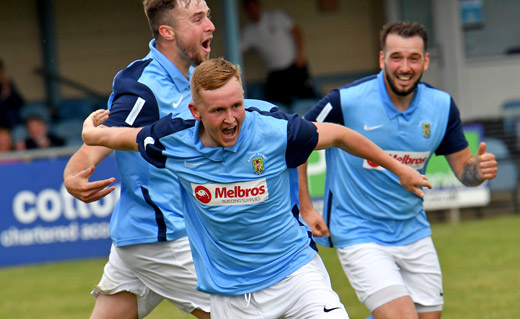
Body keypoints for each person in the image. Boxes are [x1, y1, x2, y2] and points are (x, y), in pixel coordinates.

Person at [81, 58, 432, 319]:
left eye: (236, 105)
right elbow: (121, 137)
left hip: (295, 274)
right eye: (218, 110)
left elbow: (339, 134)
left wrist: (398, 168)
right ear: (195, 110)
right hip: (231, 297)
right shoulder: (171, 140)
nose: (231, 118)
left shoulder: (276, 131)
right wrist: (91, 134)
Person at [297, 22, 498, 319]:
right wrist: (306, 207)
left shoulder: (441, 106)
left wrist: (478, 171)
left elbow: (464, 171)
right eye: (396, 57)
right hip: (358, 230)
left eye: (413, 58)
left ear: (426, 61)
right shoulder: (347, 100)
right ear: (382, 59)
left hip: (414, 230)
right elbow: (297, 141)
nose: (405, 67)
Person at [63, 0, 214, 318]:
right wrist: (74, 173)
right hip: (162, 236)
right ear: (167, 31)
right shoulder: (142, 86)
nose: (210, 26)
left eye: (208, 16)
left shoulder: (199, 79)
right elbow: (104, 136)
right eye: (198, 18)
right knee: (239, 312)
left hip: (143, 235)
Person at [241, 0, 319, 109]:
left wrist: (300, 54)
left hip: (295, 65)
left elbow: (297, 32)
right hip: (275, 73)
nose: (253, 10)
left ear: (258, 5)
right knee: (277, 103)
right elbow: (240, 51)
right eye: (249, 8)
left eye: (254, 6)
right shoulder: (249, 30)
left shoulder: (276, 16)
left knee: (306, 98)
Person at [0, 58, 25, 129]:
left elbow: (20, 103)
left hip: (9, 118)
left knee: (12, 113)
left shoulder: (7, 84)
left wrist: (6, 87)